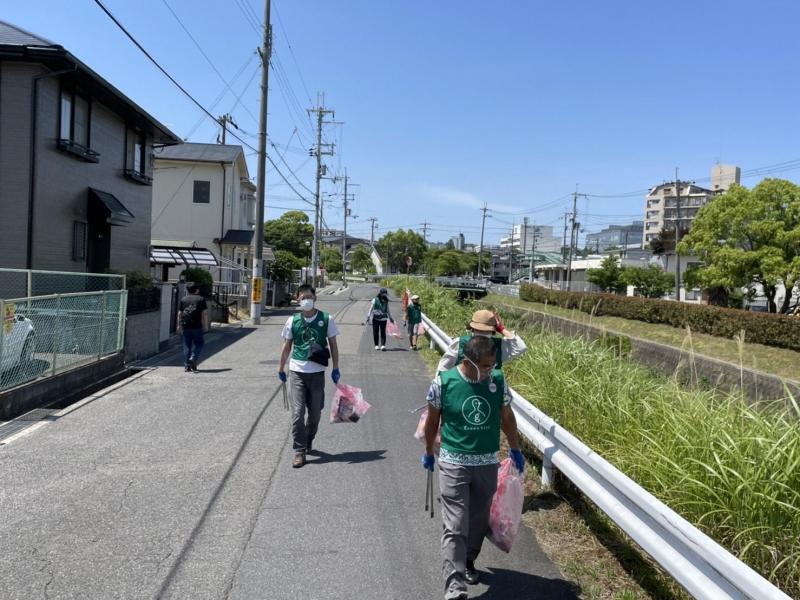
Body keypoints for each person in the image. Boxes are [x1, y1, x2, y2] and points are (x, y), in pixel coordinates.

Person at [422, 336, 525, 600]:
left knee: (478, 522)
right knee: (455, 525)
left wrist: (515, 448)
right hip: (454, 462)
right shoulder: (443, 383)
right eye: (486, 365)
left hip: (486, 463)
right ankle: (454, 585)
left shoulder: (497, 381)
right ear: (469, 361)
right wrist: (429, 452)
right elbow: (432, 420)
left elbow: (506, 416)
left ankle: (468, 560)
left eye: (493, 364)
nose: (491, 369)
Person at [278, 284, 341, 468]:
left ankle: (309, 437)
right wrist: (281, 368)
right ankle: (299, 450)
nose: (306, 300)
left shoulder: (326, 319)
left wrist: (336, 367)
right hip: (297, 372)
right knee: (297, 414)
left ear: (315, 298)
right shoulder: (292, 321)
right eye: (303, 297)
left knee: (315, 414)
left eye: (309, 297)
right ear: (297, 299)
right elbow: (286, 346)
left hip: (317, 374)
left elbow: (333, 344)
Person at [436, 308, 527, 373]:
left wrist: (502, 329)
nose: (482, 333)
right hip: (462, 392)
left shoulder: (499, 346)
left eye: (486, 331)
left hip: (487, 394)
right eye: (478, 330)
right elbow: (443, 368)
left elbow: (520, 347)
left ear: (492, 331)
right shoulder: (460, 343)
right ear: (472, 329)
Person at [177, 283, 208, 372]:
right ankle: (193, 358)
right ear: (196, 290)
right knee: (199, 343)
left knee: (187, 345)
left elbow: (180, 313)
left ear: (187, 290)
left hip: (186, 325)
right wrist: (205, 325)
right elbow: (204, 313)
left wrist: (178, 325)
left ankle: (187, 366)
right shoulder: (201, 299)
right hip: (197, 326)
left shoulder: (183, 299)